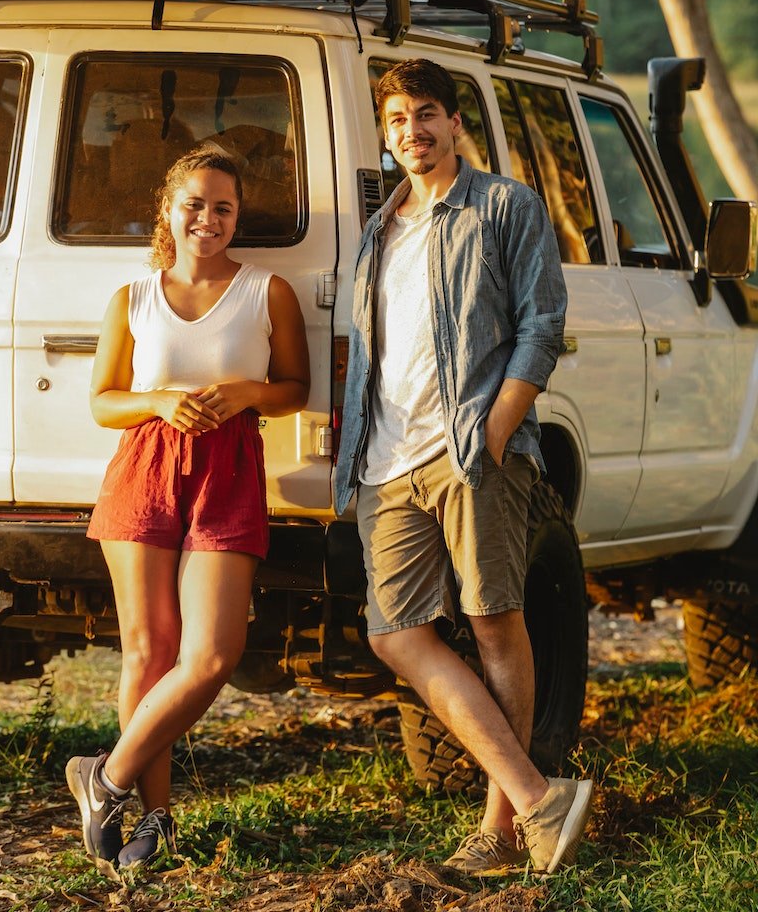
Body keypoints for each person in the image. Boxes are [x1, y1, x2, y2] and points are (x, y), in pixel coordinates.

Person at [335, 59, 590, 876]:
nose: (413, 131)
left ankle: (503, 831)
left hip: (470, 451)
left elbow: (542, 323)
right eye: (399, 118)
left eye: (427, 114)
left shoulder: (504, 205)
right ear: (387, 133)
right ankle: (538, 796)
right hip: (387, 462)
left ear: (455, 122)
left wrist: (494, 427)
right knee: (398, 633)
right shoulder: (381, 229)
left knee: (492, 623)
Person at [66, 143, 309, 872]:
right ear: (168, 212)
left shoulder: (268, 291)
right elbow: (103, 401)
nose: (208, 218)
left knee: (210, 655)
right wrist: (160, 401)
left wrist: (244, 393)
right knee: (150, 651)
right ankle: (155, 819)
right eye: (194, 204)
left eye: (223, 207)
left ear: (238, 217)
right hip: (145, 466)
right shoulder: (132, 298)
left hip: (230, 471)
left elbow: (295, 387)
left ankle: (102, 777)